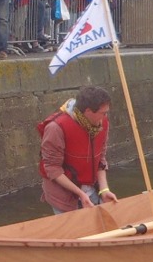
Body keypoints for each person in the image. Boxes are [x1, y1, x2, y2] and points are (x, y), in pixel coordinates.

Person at [38, 85, 118, 214]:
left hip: (91, 190)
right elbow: (53, 169)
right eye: (103, 113)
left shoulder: (101, 124)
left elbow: (100, 159)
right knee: (74, 231)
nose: (105, 117)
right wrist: (80, 193)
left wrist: (104, 190)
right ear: (88, 111)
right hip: (64, 196)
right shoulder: (55, 128)